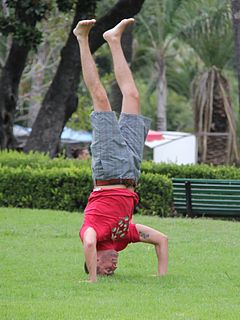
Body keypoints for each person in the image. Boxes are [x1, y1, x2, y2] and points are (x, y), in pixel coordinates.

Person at [73, 18, 168, 282]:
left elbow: (90, 244)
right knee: (133, 96)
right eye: (109, 271)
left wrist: (92, 279)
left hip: (108, 170)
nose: (111, 267)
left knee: (101, 98)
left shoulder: (92, 234)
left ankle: (81, 39)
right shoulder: (123, 238)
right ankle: (113, 40)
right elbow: (162, 240)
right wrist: (163, 278)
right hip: (131, 171)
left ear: (92, 261)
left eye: (104, 268)